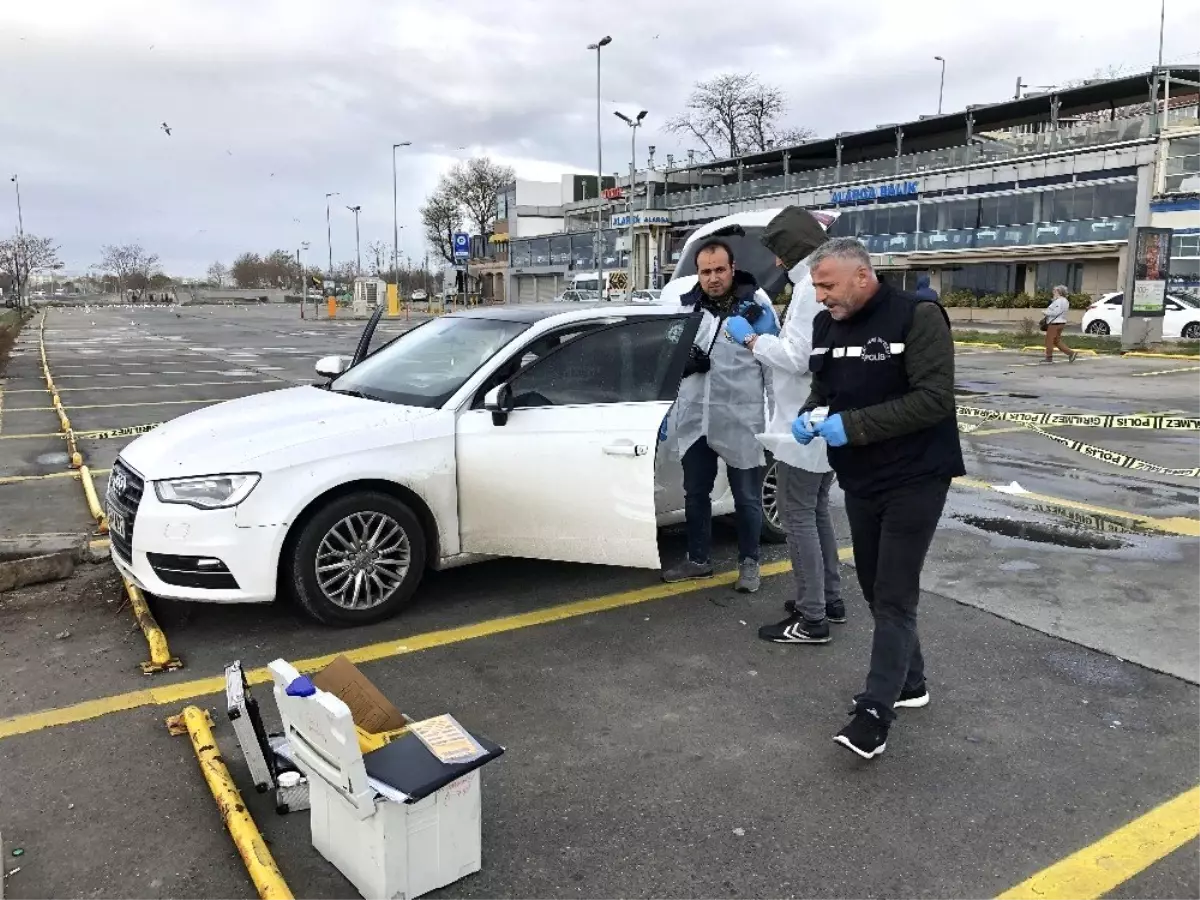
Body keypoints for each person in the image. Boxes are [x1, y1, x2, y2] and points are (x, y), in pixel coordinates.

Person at [792, 237, 965, 761]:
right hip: (861, 478)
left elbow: (934, 400)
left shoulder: (917, 316)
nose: (819, 296)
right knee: (871, 585)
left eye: (827, 285)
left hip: (916, 476)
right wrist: (812, 414)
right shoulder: (827, 326)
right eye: (816, 286)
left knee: (892, 593)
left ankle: (874, 711)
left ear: (862, 276)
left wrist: (855, 425)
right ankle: (910, 683)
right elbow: (825, 391)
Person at [726, 207, 845, 644]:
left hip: (803, 422)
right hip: (821, 419)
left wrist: (753, 339)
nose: (775, 262)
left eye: (778, 252)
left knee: (798, 517)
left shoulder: (809, 289)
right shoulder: (822, 284)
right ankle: (829, 598)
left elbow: (797, 359)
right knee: (815, 513)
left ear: (791, 249)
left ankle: (812, 616)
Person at [663, 239, 779, 593]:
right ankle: (698, 560)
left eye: (719, 270)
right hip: (695, 418)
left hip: (741, 419)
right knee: (695, 493)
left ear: (732, 268)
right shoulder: (686, 309)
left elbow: (774, 366)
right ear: (697, 274)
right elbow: (665, 357)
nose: (713, 278)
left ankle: (750, 563)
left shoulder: (757, 310)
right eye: (705, 271)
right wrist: (682, 362)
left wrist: (776, 420)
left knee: (746, 497)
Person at [1042, 285, 1078, 363]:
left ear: (1059, 292)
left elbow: (1056, 312)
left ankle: (1049, 357)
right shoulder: (1065, 301)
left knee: (1049, 340)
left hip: (1055, 323)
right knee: (1056, 341)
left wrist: (1045, 312)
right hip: (1061, 322)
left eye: (1055, 291)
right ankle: (1071, 353)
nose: (1053, 292)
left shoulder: (1059, 301)